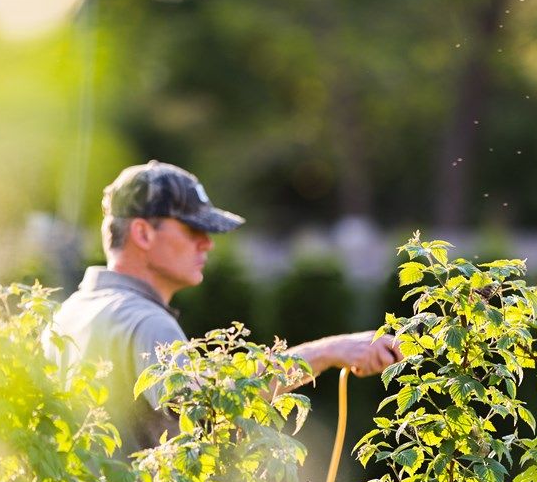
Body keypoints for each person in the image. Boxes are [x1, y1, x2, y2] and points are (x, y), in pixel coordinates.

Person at [48, 160, 402, 454]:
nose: (207, 244)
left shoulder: (67, 314)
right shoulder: (145, 322)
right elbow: (214, 411)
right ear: (142, 233)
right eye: (192, 229)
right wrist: (329, 352)